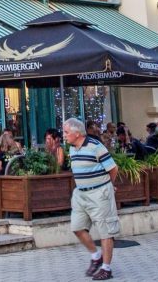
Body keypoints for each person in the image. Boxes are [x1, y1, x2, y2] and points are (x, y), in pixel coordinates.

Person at [63, 117, 118, 281]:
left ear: (77, 133)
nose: (64, 135)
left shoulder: (96, 147)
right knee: (77, 227)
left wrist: (108, 186)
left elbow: (113, 168)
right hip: (81, 194)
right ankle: (96, 256)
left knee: (105, 231)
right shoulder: (72, 148)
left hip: (99, 193)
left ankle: (106, 269)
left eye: (66, 132)